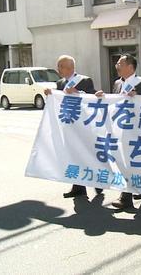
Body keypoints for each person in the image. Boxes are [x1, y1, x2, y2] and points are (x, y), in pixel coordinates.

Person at [95, 55, 141, 209]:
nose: (117, 65)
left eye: (120, 63)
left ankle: (126, 197)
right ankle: (138, 192)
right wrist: (103, 97)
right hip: (120, 130)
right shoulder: (117, 83)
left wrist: (138, 96)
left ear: (130, 67)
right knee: (124, 162)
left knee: (135, 162)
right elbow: (114, 103)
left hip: (137, 131)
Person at [44, 55, 103, 198]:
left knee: (87, 154)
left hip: (84, 126)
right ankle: (78, 187)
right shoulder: (60, 83)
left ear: (70, 67)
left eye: (60, 66)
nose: (58, 69)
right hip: (68, 126)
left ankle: (98, 182)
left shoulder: (84, 81)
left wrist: (78, 93)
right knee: (74, 156)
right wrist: (50, 95)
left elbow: (92, 98)